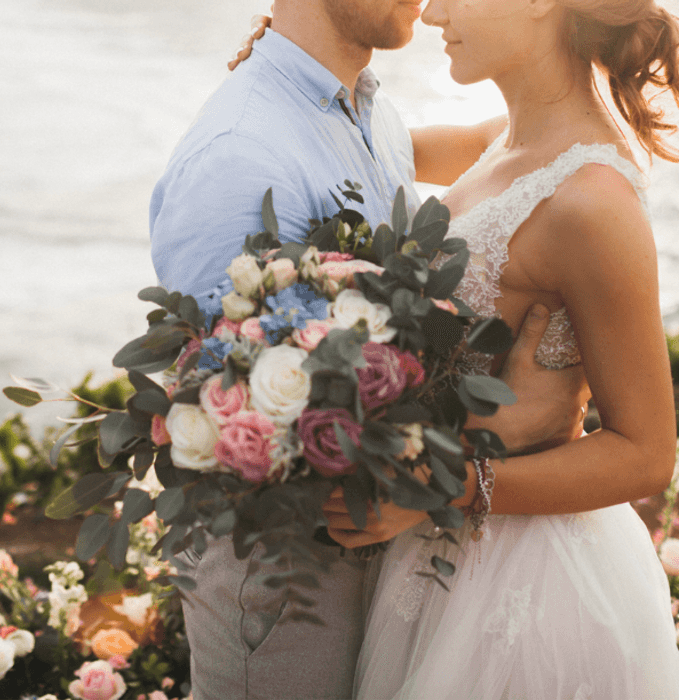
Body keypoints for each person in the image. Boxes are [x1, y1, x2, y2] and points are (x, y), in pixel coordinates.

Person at [148, 2, 590, 698]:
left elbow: (513, 148)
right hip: (283, 579)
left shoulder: (369, 114)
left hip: (389, 559)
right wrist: (508, 429)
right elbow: (244, 436)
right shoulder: (240, 156)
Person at [302, 0, 679, 695]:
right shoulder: (495, 140)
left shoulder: (591, 203)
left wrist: (446, 484)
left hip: (527, 586)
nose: (433, 14)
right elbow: (337, 158)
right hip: (433, 556)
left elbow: (645, 454)